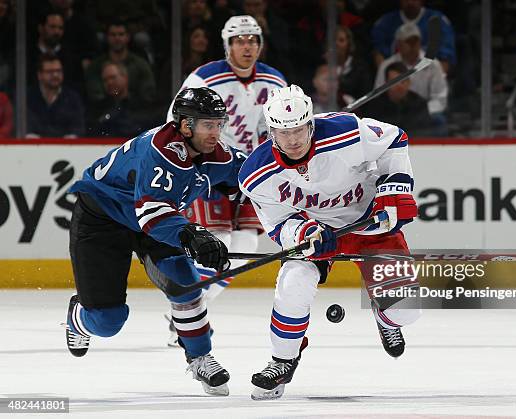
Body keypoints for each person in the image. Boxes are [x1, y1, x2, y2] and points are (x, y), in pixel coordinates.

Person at [238, 85, 420, 400]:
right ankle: (283, 359)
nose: (292, 139)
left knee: (405, 311)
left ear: (311, 124)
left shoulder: (346, 131)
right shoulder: (255, 174)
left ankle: (384, 314)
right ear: (271, 133)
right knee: (294, 282)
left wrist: (395, 187)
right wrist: (303, 233)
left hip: (367, 222)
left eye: (298, 130)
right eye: (283, 133)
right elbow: (278, 224)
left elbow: (394, 139)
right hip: (317, 232)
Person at [64, 87, 244, 396]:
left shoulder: (213, 151)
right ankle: (77, 317)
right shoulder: (162, 152)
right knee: (107, 322)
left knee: (184, 279)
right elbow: (151, 216)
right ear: (186, 126)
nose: (216, 133)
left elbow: (255, 174)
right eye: (207, 125)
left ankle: (199, 355)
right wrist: (192, 235)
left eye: (219, 124)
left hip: (153, 215)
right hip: (103, 217)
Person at [163, 15, 287, 346]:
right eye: (239, 40)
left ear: (260, 44)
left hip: (253, 171)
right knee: (216, 240)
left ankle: (190, 309)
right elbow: (175, 119)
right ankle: (189, 314)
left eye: (252, 40)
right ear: (227, 45)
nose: (247, 46)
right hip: (213, 168)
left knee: (246, 244)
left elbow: (283, 125)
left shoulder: (275, 81)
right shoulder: (204, 77)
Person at [374, 22, 448, 121]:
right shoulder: (386, 66)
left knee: (438, 120)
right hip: (392, 113)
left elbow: (440, 99)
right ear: (398, 44)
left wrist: (420, 112)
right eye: (408, 42)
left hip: (423, 113)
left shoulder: (433, 64)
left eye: (415, 41)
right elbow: (379, 96)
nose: (413, 45)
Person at [370, 0, 456, 72]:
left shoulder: (438, 21)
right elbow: (378, 54)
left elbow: (446, 60)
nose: (410, 2)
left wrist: (434, 80)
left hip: (429, 77)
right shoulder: (385, 22)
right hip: (395, 80)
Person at [26, 53, 85, 138]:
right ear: (39, 75)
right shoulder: (28, 97)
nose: (55, 75)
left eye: (58, 71)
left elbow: (78, 129)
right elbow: (27, 129)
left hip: (66, 149)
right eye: (50, 72)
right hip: (34, 148)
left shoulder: (72, 98)